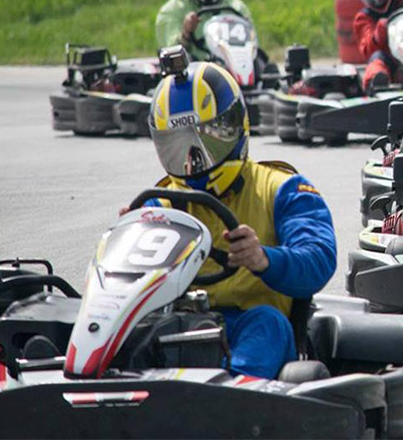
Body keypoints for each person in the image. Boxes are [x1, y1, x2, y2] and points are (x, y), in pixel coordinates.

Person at [142, 52, 336, 379]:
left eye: (206, 140)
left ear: (236, 128)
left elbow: (319, 259)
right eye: (179, 146)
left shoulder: (282, 189)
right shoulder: (159, 206)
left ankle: (232, 393)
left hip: (253, 326)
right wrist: (126, 239)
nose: (194, 161)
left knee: (268, 323)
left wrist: (265, 259)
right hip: (180, 329)